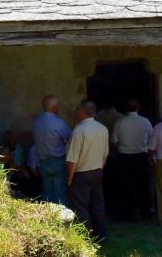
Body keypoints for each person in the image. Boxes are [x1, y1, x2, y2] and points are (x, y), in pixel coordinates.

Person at [67, 99, 109, 241]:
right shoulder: (103, 128)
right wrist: (100, 169)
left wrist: (69, 178)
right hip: (97, 171)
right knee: (98, 205)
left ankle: (84, 237)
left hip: (81, 174)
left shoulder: (79, 130)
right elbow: (105, 154)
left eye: (78, 110)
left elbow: (73, 158)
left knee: (80, 207)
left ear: (82, 112)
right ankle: (101, 235)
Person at [112, 98, 153, 221]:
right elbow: (152, 139)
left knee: (126, 186)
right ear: (138, 107)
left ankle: (127, 212)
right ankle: (145, 212)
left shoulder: (120, 122)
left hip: (125, 158)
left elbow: (114, 142)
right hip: (141, 156)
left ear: (125, 108)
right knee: (144, 185)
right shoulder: (145, 122)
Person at [32, 95, 72, 205]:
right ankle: (62, 220)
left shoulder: (36, 121)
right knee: (60, 193)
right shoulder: (58, 122)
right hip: (58, 161)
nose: (58, 107)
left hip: (43, 161)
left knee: (47, 192)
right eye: (58, 105)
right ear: (54, 107)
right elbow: (70, 138)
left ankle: (47, 218)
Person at [95, 100, 123, 216]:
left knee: (103, 182)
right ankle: (116, 206)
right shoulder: (120, 118)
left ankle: (104, 206)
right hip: (114, 154)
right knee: (116, 182)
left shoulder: (97, 117)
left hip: (99, 155)